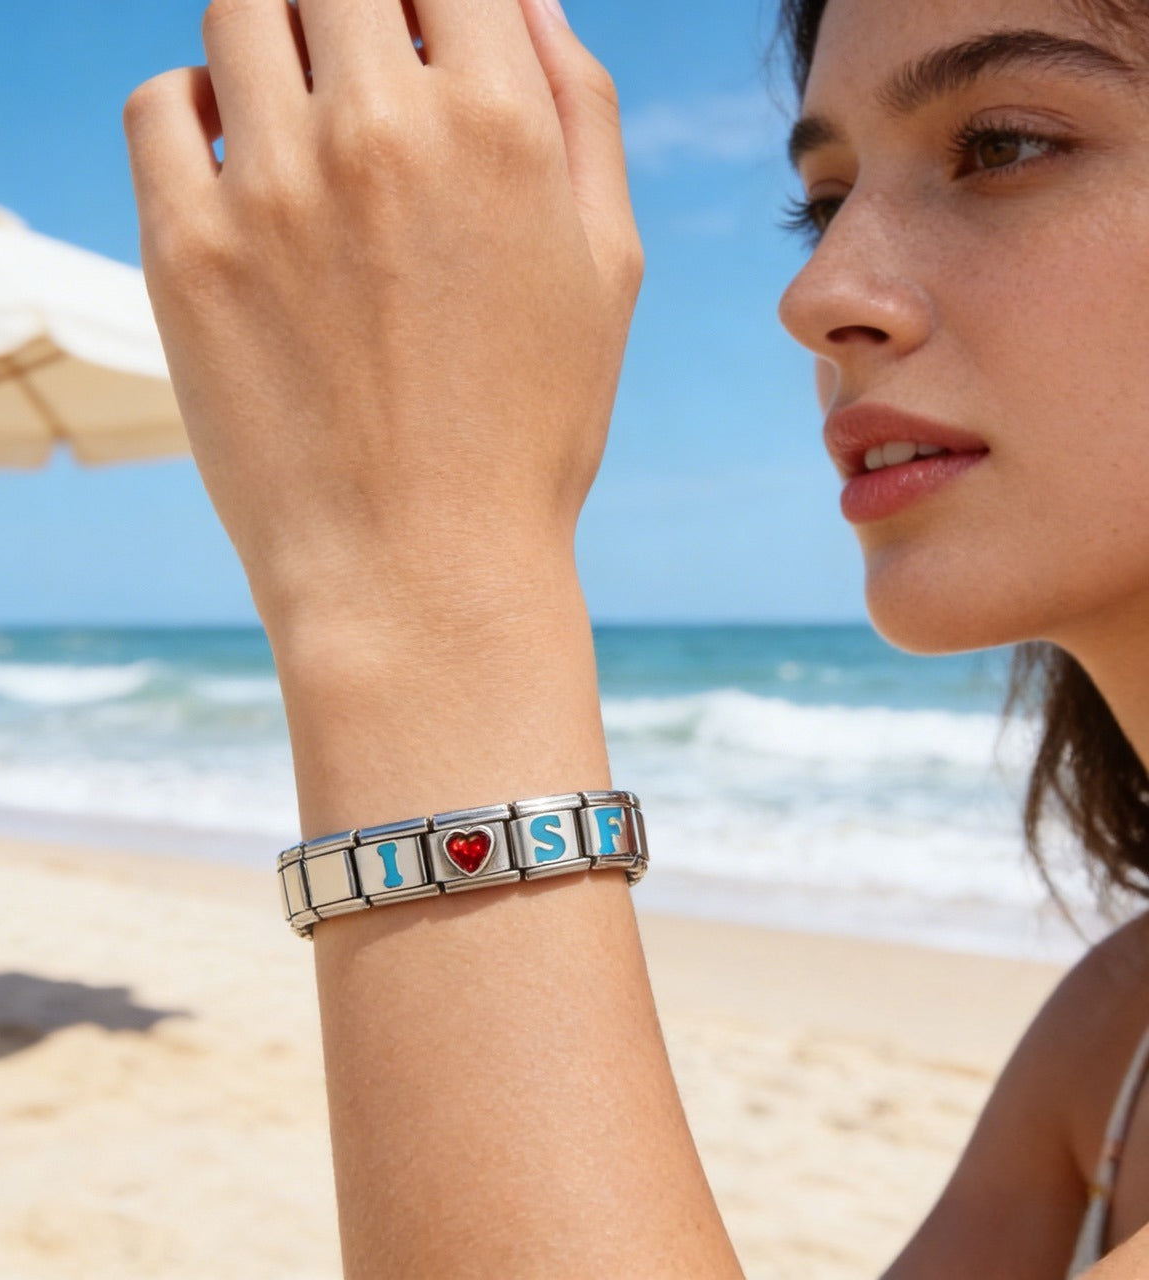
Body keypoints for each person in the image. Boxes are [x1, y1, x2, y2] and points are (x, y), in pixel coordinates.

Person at [121, 0, 1149, 1273]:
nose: (818, 294)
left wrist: (415, 579)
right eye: (824, 202)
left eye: (999, 147)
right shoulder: (1110, 1042)